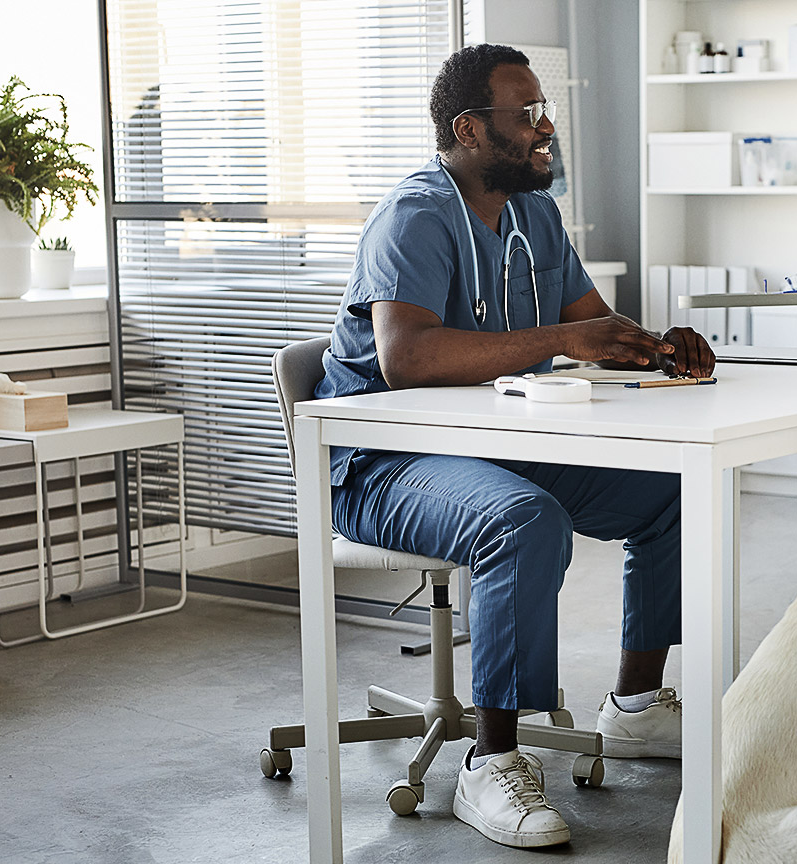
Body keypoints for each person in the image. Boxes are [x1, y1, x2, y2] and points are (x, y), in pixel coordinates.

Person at [315, 44, 715, 850]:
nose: (546, 128)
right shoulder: (416, 216)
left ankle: (634, 708)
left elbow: (590, 325)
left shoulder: (536, 211)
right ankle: (491, 762)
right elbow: (409, 359)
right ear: (468, 128)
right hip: (381, 463)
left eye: (545, 110)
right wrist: (573, 335)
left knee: (671, 489)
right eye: (526, 114)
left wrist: (652, 345)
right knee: (522, 521)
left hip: (493, 445)